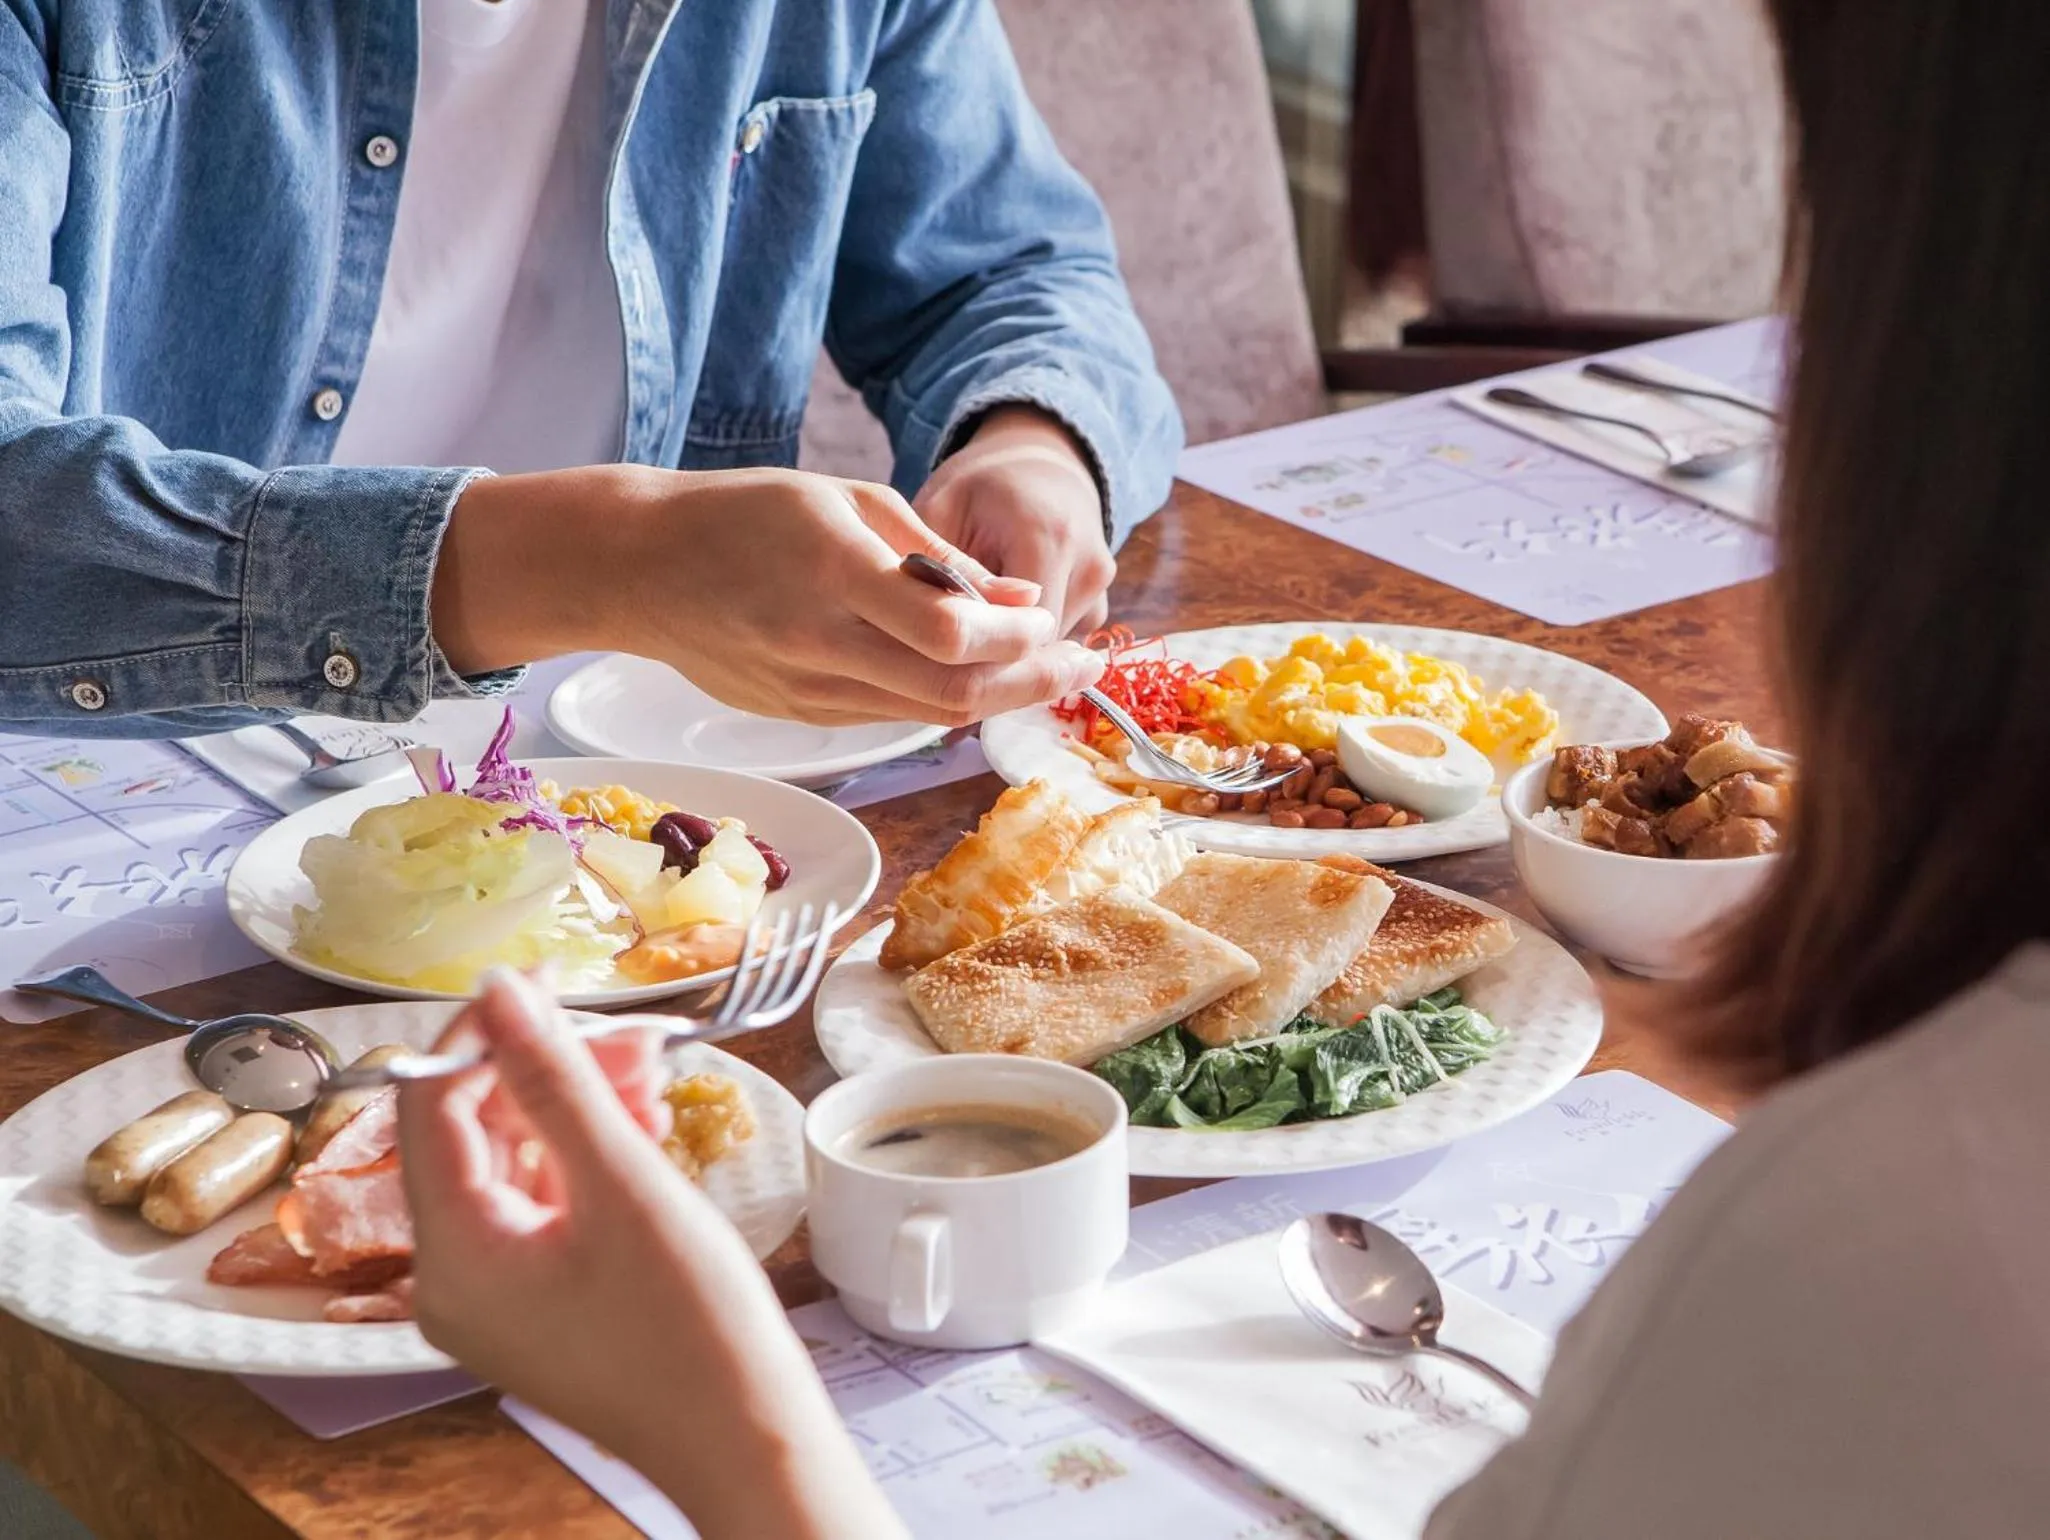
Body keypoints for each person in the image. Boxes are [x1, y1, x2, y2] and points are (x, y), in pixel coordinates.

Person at [398, 2, 2050, 1537]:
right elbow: (1027, 293)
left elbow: (1017, 275)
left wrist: (732, 1435)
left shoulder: (1900, 1249)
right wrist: (1028, 434)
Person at [0, 0, 1181, 739]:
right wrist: (607, 561)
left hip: (641, 804)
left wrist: (1034, 438)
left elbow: (1011, 271)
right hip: (105, 791)